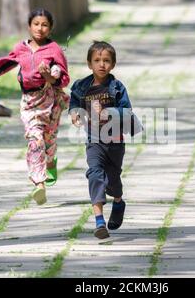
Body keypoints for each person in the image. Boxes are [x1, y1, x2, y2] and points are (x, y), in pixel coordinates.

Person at [0, 8, 70, 205]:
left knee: (48, 141)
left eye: (44, 25)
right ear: (29, 26)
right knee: (35, 140)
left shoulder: (54, 50)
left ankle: (51, 161)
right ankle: (39, 184)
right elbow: (6, 63)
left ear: (50, 29)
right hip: (29, 103)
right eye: (36, 24)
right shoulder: (21, 48)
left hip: (50, 100)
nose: (40, 28)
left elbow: (64, 77)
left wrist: (49, 76)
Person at [69, 41, 134, 240]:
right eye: (97, 60)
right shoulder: (82, 86)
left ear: (113, 64)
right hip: (94, 140)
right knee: (95, 174)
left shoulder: (117, 87)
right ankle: (99, 221)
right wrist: (74, 112)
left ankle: (119, 201)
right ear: (89, 64)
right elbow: (74, 100)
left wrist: (109, 112)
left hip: (115, 141)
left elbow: (127, 112)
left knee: (113, 180)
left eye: (106, 60)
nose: (102, 64)